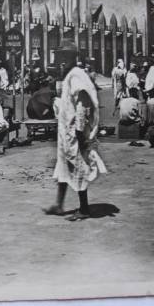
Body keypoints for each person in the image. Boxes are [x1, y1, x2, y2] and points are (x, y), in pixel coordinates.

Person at [44, 39, 107, 221]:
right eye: (59, 56)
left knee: (78, 165)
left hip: (74, 132)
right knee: (63, 166)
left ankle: (84, 209)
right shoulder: (70, 75)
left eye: (63, 56)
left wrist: (80, 133)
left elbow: (82, 106)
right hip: (66, 132)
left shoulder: (76, 75)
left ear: (69, 57)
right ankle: (59, 204)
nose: (60, 60)